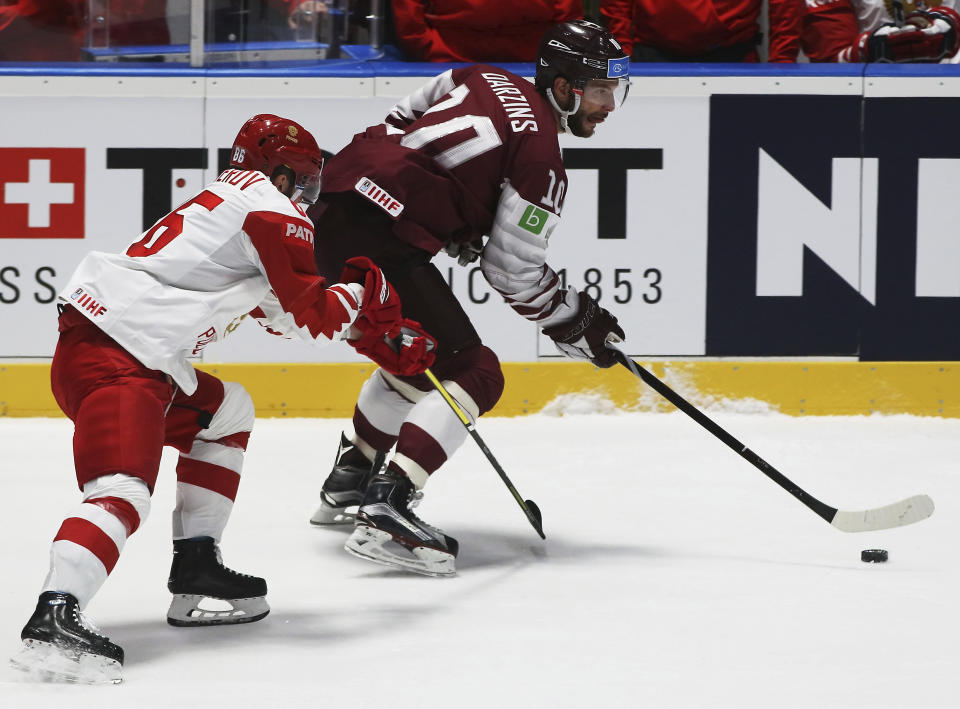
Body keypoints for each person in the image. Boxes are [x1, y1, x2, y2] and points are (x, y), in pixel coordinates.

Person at [10, 114, 434, 684]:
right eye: (305, 181)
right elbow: (313, 313)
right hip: (123, 358)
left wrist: (369, 333)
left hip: (130, 352)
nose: (306, 197)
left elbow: (286, 317)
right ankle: (54, 613)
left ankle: (197, 566)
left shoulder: (229, 207)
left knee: (226, 411)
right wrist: (368, 294)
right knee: (123, 494)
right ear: (282, 174)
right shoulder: (270, 208)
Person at [305, 19, 629, 577]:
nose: (609, 104)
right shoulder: (541, 161)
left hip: (333, 205)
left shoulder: (482, 76)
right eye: (599, 90)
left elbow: (399, 123)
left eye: (613, 90)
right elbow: (513, 272)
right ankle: (389, 506)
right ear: (564, 88)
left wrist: (440, 207)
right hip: (378, 242)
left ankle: (351, 477)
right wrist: (576, 321)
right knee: (477, 373)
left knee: (421, 362)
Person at [600, 0, 805, 62]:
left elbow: (785, 7)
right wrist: (620, 58)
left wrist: (782, 64)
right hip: (651, 54)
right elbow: (616, 6)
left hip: (733, 56)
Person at [389, 0, 580, 62]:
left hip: (536, 56)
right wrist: (424, 44)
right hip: (447, 53)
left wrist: (559, 46)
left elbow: (568, 8)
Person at [801, 0, 960, 62]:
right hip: (876, 87)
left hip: (949, 84)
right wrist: (868, 49)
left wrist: (952, 26)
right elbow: (827, 66)